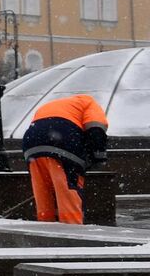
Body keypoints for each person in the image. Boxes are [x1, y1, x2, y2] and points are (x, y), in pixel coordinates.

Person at [22, 93, 109, 225]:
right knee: (68, 189)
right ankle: (72, 229)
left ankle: (45, 228)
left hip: (31, 145)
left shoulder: (54, 105)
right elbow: (96, 131)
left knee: (43, 190)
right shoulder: (90, 103)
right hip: (63, 142)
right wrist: (98, 157)